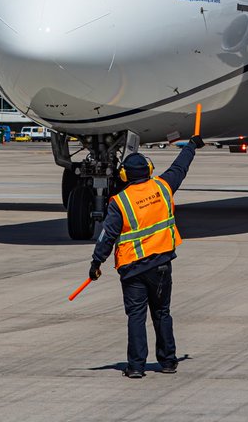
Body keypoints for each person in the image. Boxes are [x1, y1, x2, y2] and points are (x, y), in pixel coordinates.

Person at [88, 132, 204, 378]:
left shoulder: (120, 202)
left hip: (133, 270)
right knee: (162, 313)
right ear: (149, 170)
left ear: (124, 176)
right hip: (161, 266)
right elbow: (180, 167)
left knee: (136, 317)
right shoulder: (163, 186)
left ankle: (137, 367)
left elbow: (106, 237)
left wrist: (96, 263)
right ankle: (168, 361)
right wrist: (192, 145)